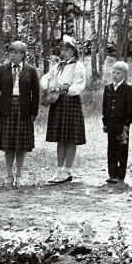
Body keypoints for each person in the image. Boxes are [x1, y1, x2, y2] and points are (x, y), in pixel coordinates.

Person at [0, 41, 40, 187]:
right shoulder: (3, 69)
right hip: (6, 108)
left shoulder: (30, 70)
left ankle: (19, 174)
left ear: (23, 55)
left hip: (23, 109)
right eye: (11, 52)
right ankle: (9, 175)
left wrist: (34, 112)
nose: (12, 55)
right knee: (8, 144)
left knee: (21, 144)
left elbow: (35, 93)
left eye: (16, 52)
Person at [41, 35, 86, 184]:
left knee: (70, 138)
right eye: (62, 49)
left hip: (70, 102)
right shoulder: (58, 65)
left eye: (67, 49)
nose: (64, 52)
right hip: (58, 102)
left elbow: (78, 86)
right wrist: (46, 84)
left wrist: (65, 88)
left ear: (74, 51)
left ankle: (67, 170)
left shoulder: (78, 66)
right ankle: (59, 170)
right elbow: (47, 77)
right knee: (60, 138)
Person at [102, 61, 132, 184]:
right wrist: (105, 122)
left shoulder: (128, 88)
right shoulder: (108, 88)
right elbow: (105, 106)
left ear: (124, 74)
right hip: (110, 123)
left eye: (118, 73)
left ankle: (120, 176)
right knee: (111, 149)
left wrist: (127, 123)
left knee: (122, 148)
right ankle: (112, 174)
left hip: (122, 124)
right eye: (113, 72)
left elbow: (130, 107)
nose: (115, 75)